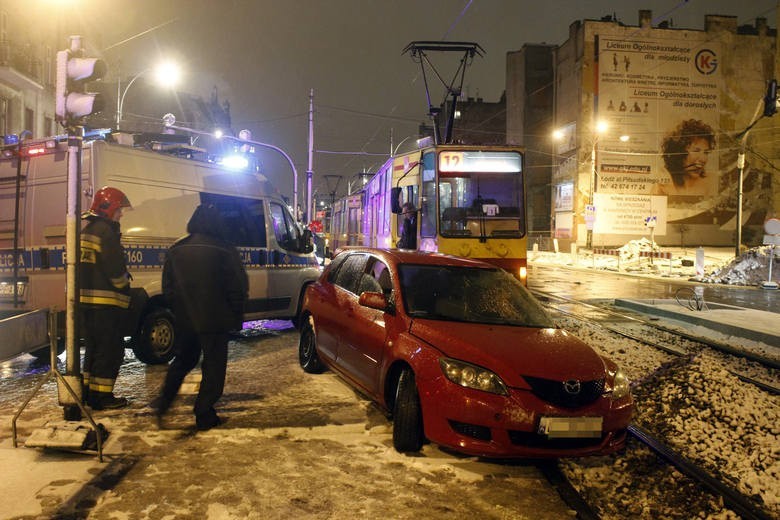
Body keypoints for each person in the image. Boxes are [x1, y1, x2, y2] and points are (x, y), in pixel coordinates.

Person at [155, 204, 248, 430]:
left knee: (183, 361)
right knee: (214, 367)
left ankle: (163, 403)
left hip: (186, 319)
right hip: (217, 320)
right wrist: (237, 316)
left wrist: (178, 308)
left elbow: (167, 287)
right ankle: (204, 412)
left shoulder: (176, 250)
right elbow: (238, 287)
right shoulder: (226, 250)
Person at [80, 186, 133, 410]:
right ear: (109, 208)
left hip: (88, 303)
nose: (120, 214)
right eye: (119, 210)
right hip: (107, 304)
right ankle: (102, 397)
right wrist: (125, 287)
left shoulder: (87, 230)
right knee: (110, 350)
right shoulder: (106, 232)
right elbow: (114, 270)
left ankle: (88, 393)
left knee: (94, 348)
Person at [657, 119, 716, 196]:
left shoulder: (710, 184)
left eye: (706, 152)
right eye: (696, 151)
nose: (703, 159)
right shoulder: (663, 183)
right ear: (678, 153)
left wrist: (672, 192)